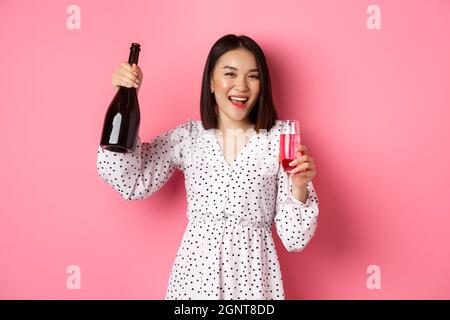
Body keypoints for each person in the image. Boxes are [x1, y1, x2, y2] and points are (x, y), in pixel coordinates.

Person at [97, 34, 319, 300]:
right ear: (211, 82)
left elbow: (294, 239)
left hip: (253, 280)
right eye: (230, 74)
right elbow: (130, 182)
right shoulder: (189, 137)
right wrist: (125, 92)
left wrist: (298, 186)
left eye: (253, 76)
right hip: (195, 278)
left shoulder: (280, 139)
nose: (241, 87)